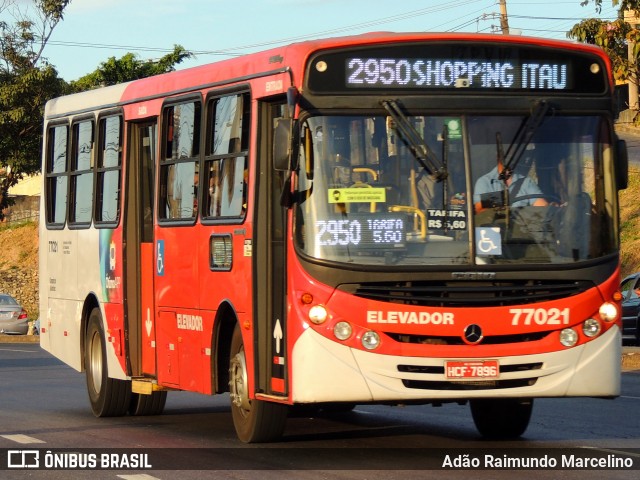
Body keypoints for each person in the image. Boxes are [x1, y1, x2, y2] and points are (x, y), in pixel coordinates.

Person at [473, 159, 548, 213]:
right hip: (492, 233)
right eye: (503, 149)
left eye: (512, 149)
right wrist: (501, 197)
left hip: (521, 232)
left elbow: (543, 209)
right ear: (497, 155)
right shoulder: (484, 182)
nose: (508, 154)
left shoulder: (526, 183)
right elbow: (478, 211)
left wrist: (551, 209)